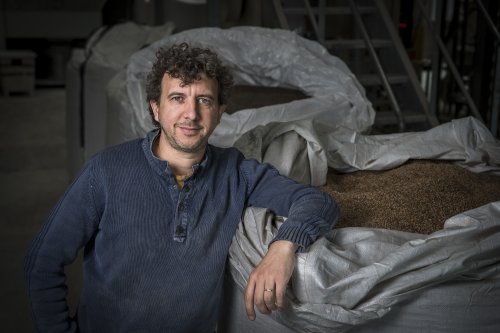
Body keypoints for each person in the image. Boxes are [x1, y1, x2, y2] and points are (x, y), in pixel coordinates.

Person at [24, 42, 339, 332]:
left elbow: (316, 202)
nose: (191, 114)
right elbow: (43, 262)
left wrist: (282, 248)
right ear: (155, 109)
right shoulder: (106, 171)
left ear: (219, 112)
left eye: (204, 100)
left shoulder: (235, 172)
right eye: (177, 98)